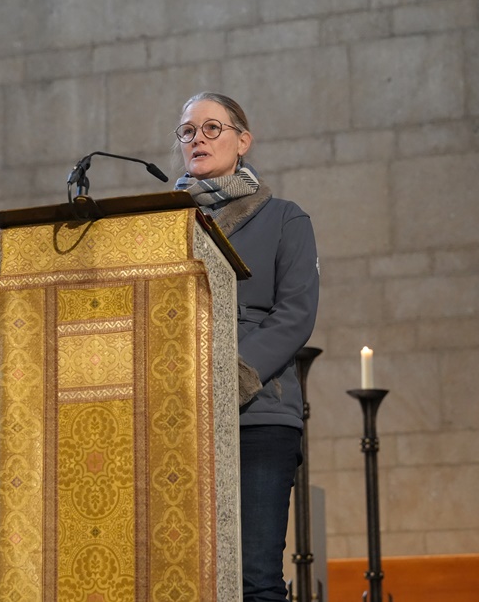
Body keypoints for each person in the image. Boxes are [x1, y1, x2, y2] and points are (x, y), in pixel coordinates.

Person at [173, 92, 320, 602]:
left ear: (243, 141)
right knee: (181, 578)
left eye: (212, 128)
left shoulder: (284, 219)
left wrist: (230, 376)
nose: (198, 139)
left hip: (257, 415)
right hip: (176, 418)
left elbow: (295, 314)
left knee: (255, 578)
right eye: (187, 131)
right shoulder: (160, 225)